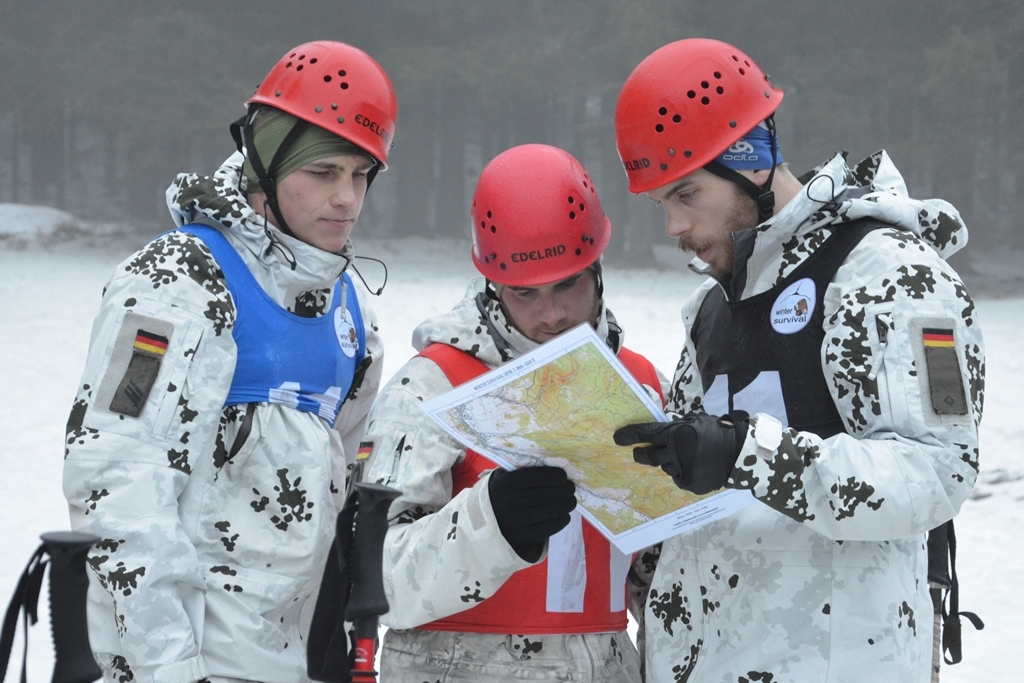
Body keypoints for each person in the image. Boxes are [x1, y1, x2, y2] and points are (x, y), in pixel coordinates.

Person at [611, 38, 984, 683]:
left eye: (686, 194)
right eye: (660, 204)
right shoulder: (710, 308)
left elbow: (939, 469)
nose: (672, 226)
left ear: (750, 163)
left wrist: (748, 455)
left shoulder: (892, 275)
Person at [62, 40, 396, 683]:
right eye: (323, 173)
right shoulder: (178, 281)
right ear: (266, 164)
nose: (347, 199)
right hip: (188, 662)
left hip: (297, 659)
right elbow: (116, 480)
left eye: (360, 175)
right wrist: (166, 668)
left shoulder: (349, 309)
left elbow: (347, 474)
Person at [358, 144, 664, 683]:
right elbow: (373, 582)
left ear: (597, 268)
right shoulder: (433, 385)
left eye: (568, 284)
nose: (551, 314)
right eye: (525, 294)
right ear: (493, 284)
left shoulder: (643, 386)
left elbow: (669, 589)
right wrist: (491, 523)